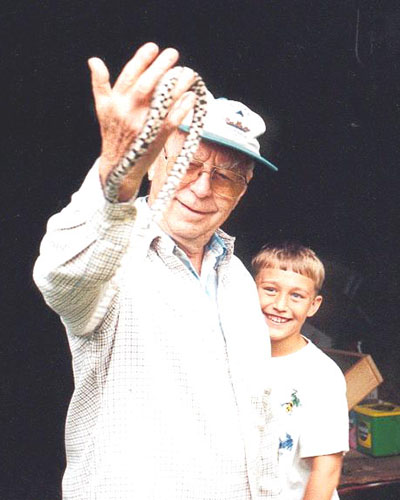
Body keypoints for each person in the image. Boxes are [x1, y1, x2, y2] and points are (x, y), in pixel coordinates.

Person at [33, 42, 281, 499]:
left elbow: (259, 417)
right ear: (153, 164)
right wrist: (116, 171)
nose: (202, 186)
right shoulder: (114, 255)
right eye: (187, 161)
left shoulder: (241, 280)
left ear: (242, 192)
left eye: (225, 176)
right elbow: (61, 275)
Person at [252, 242, 349, 500]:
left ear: (314, 305)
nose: (280, 305)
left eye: (296, 296)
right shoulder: (230, 356)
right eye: (270, 290)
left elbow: (326, 470)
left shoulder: (320, 375)